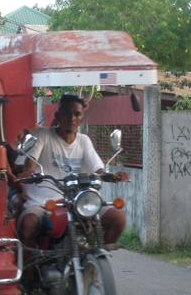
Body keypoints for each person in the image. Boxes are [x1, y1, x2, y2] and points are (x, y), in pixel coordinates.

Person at [17, 94, 128, 250]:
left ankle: (95, 254)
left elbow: (98, 168)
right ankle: (29, 270)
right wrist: (28, 172)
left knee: (118, 219)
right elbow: (30, 165)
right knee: (29, 224)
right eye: (66, 113)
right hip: (43, 203)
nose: (71, 118)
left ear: (82, 118)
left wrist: (109, 175)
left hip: (76, 201)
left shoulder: (84, 141)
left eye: (77, 114)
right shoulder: (43, 135)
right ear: (57, 116)